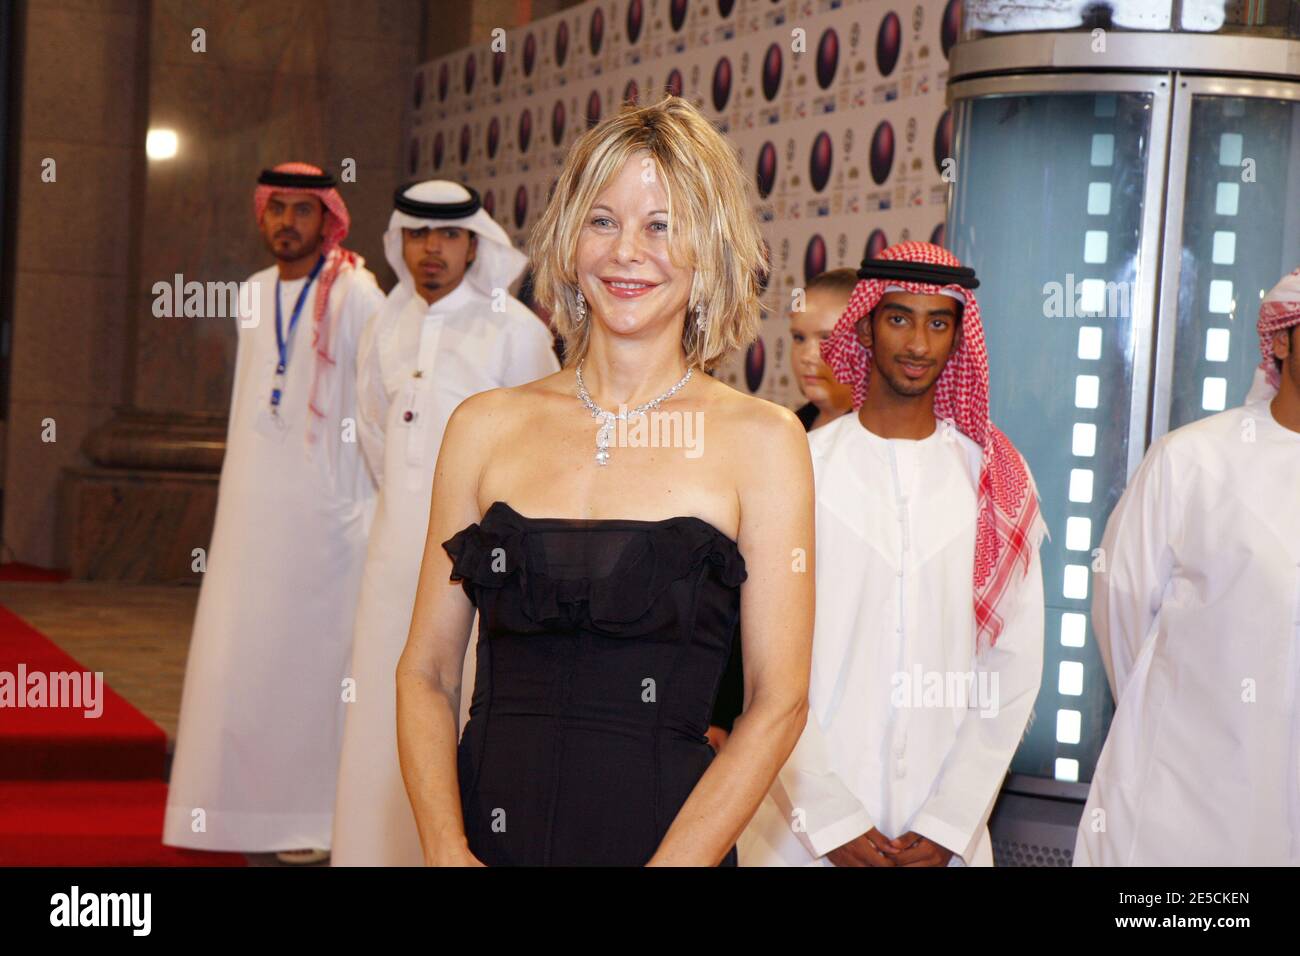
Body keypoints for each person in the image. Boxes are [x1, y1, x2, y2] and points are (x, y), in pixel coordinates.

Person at [395, 94, 813, 866]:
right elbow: (426, 671)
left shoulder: (764, 441)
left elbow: (778, 703)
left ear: (710, 245)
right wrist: (446, 851)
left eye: (661, 224)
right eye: (603, 220)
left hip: (663, 844)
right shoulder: (483, 427)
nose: (628, 251)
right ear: (568, 237)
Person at [740, 240, 1047, 867]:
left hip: (941, 839)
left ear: (960, 338)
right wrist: (827, 821)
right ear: (865, 324)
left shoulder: (994, 480)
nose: (917, 344)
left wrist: (948, 821)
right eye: (899, 318)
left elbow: (1014, 669)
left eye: (939, 323)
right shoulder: (799, 469)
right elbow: (762, 664)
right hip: (800, 836)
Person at [331, 180, 560, 867]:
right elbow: (373, 432)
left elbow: (543, 445)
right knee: (379, 702)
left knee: (457, 705)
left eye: (450, 235)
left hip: (478, 568)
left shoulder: (515, 330)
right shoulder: (385, 322)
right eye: (417, 234)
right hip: (391, 553)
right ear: (400, 241)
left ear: (475, 243)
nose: (432, 250)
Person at [163, 164, 385, 864]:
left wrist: (370, 506)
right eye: (276, 209)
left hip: (330, 523)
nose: (288, 222)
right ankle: (245, 818)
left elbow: (375, 410)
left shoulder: (355, 292)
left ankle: (316, 822)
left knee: (318, 674)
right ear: (262, 216)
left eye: (302, 211)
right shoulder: (255, 293)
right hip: (251, 520)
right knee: (248, 665)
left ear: (329, 219)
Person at [1074, 266, 1300, 866]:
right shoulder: (1193, 458)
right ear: (1281, 339)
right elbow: (1122, 611)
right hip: (1188, 803)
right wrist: (1168, 720)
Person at [708, 267, 856, 748]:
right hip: (760, 707)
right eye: (798, 338)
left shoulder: (887, 457)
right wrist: (720, 712)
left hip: (852, 700)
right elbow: (736, 588)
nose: (810, 357)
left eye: (827, 338)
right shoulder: (771, 442)